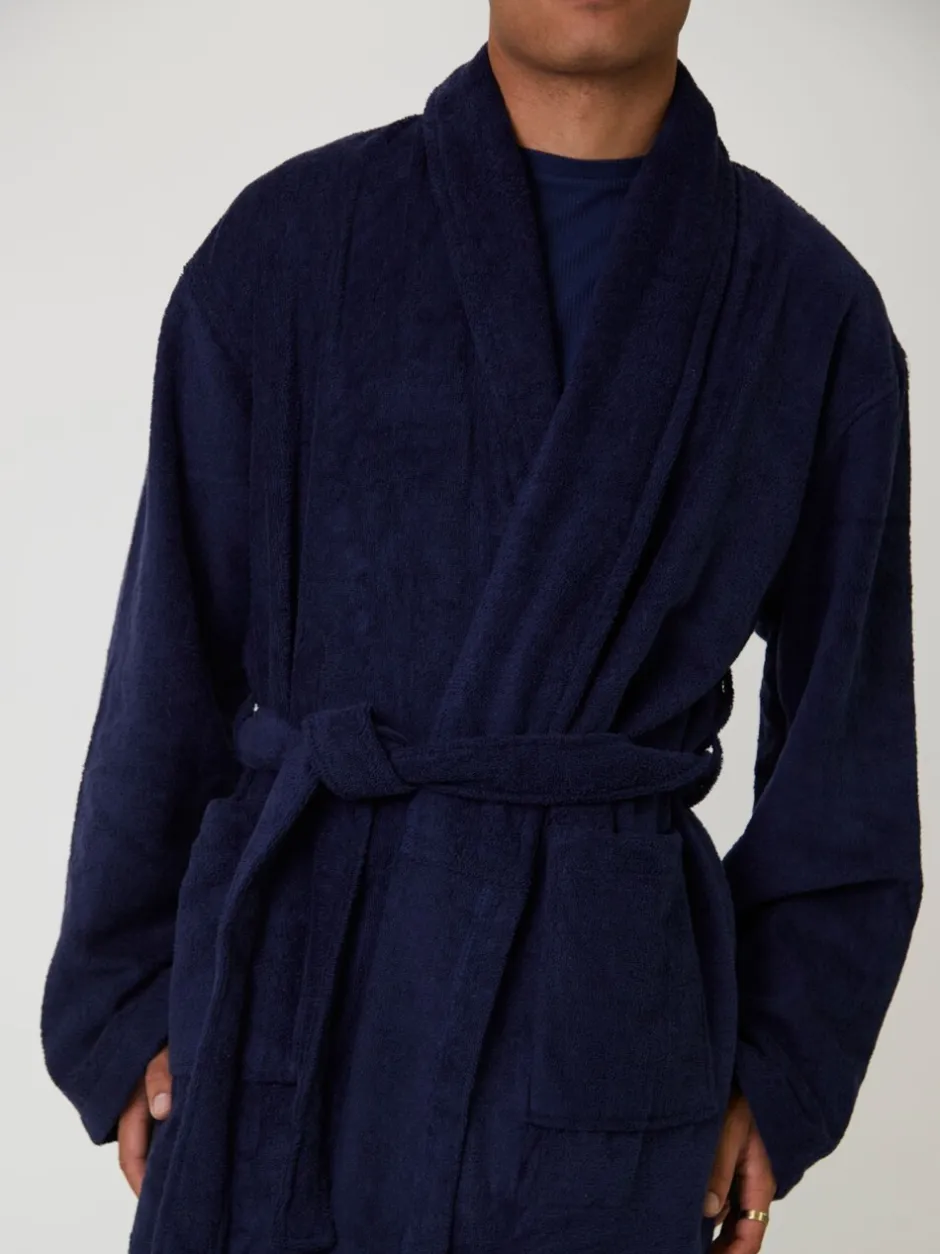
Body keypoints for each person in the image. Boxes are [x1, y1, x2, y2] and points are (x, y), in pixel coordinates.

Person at [41, 3, 922, 1253]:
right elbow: (165, 667)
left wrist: (781, 1069)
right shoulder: (286, 247)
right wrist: (129, 1003)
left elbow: (848, 752)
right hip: (297, 1009)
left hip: (604, 1042)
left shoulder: (807, 310)